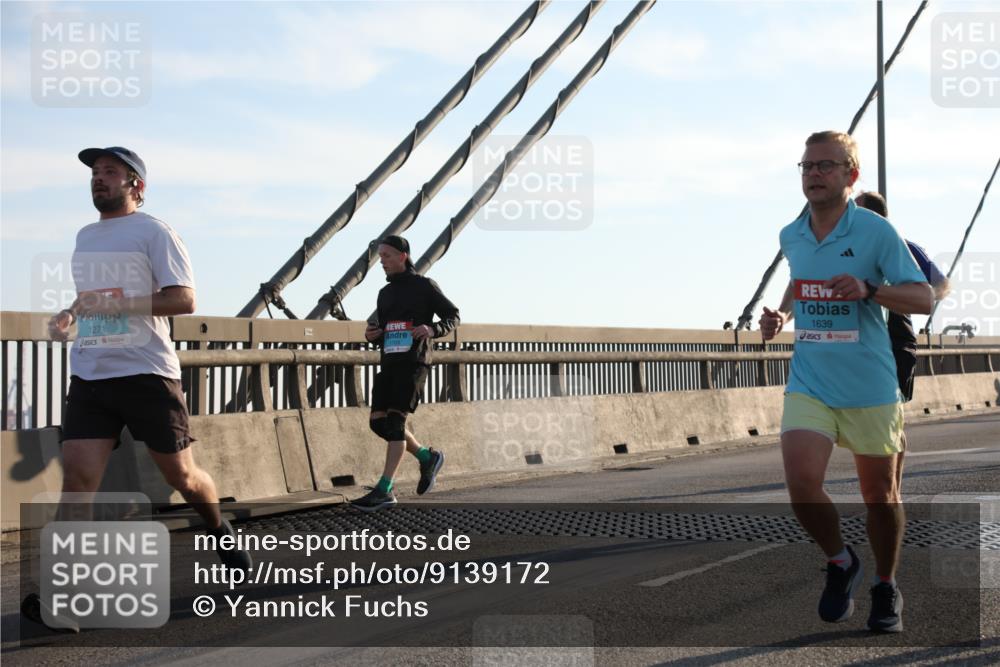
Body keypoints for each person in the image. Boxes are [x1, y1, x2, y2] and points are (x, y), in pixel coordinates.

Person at [22, 146, 252, 632]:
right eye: (95, 173)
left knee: (183, 478)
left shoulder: (155, 232)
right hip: (91, 373)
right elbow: (92, 300)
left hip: (147, 373)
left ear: (136, 187)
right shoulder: (85, 236)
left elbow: (184, 298)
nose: (98, 180)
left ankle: (219, 529)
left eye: (110, 173)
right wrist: (70, 315)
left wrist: (123, 306)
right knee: (78, 481)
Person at [759, 131, 933, 633]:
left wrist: (870, 289)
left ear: (850, 176)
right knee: (801, 486)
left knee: (881, 497)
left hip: (871, 386)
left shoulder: (876, 232)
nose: (813, 174)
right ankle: (840, 561)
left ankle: (885, 584)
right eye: (807, 166)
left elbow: (923, 298)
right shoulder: (790, 234)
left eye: (825, 166)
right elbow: (801, 276)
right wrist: (782, 316)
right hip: (811, 379)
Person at [351, 235, 459, 512]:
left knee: (396, 424)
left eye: (386, 256)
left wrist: (432, 329)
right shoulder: (384, 293)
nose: (382, 262)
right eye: (380, 257)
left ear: (403, 256)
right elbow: (385, 330)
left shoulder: (424, 286)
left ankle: (385, 489)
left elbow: (452, 315)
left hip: (414, 363)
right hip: (389, 362)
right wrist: (371, 335)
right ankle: (426, 457)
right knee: (379, 424)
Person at [854, 190, 951, 496]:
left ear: (876, 217)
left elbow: (941, 284)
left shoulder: (903, 247)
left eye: (858, 212)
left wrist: (907, 298)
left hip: (895, 335)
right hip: (863, 341)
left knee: (892, 415)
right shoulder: (850, 249)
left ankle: (891, 491)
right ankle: (888, 490)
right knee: (886, 421)